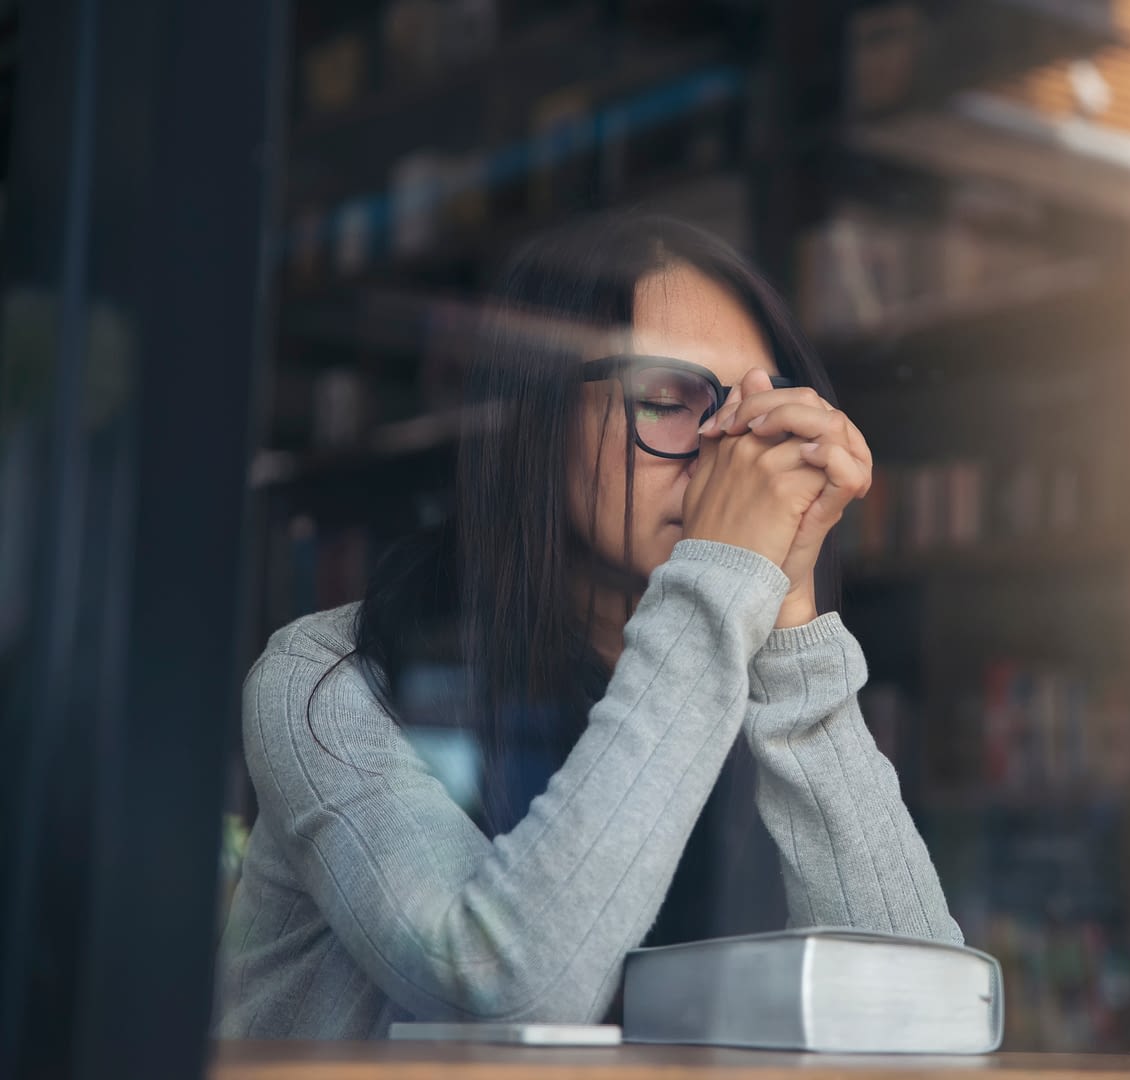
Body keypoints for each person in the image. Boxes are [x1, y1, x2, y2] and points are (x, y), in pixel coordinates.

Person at [214, 215, 962, 1039]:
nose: (728, 453)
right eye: (670, 400)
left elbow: (916, 1016)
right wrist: (720, 578)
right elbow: (499, 990)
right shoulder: (326, 680)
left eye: (758, 412)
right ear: (539, 417)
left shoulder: (733, 671)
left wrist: (789, 626)